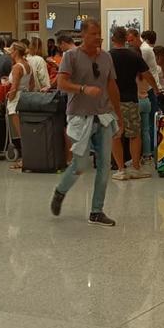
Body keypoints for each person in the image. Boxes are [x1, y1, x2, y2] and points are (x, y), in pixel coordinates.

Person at [49, 19, 122, 227]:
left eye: (100, 34)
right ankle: (61, 191)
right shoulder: (70, 56)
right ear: (83, 36)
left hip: (104, 115)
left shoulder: (106, 57)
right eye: (94, 34)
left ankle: (97, 211)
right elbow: (61, 83)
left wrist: (119, 114)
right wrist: (83, 89)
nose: (98, 37)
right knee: (80, 164)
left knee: (105, 165)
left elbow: (111, 86)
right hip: (79, 116)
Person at [109, 26, 156, 179]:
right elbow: (146, 74)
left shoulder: (107, 56)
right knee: (134, 134)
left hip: (112, 101)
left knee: (115, 135)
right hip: (131, 99)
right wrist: (156, 88)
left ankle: (121, 170)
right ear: (125, 39)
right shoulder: (133, 55)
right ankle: (136, 167)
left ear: (112, 39)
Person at [3, 42, 36, 167]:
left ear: (16, 51)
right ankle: (29, 156)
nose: (10, 53)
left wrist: (10, 98)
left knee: (20, 132)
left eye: (11, 51)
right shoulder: (28, 65)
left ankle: (25, 159)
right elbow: (32, 84)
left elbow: (14, 86)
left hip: (16, 100)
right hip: (25, 97)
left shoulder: (17, 67)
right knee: (26, 130)